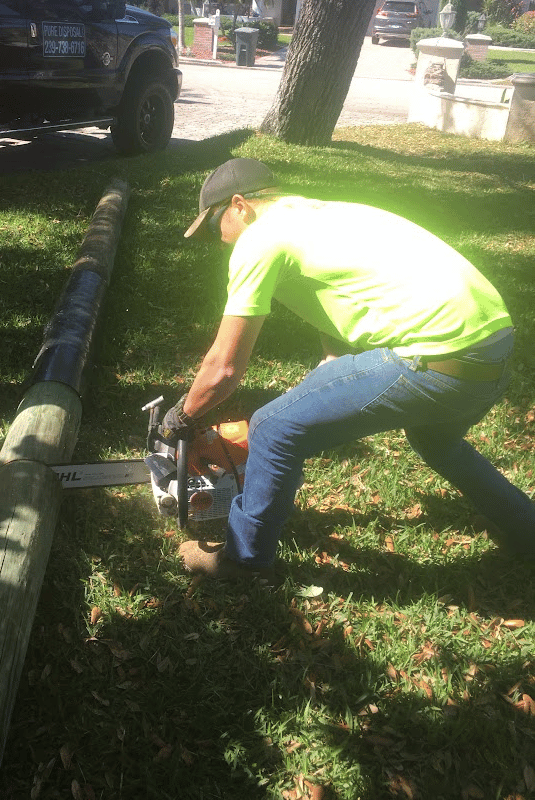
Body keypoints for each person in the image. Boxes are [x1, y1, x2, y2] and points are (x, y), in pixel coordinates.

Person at [161, 157, 535, 580]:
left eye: (214, 228)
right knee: (438, 442)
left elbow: (223, 369)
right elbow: (342, 294)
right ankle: (526, 529)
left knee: (272, 428)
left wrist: (182, 417)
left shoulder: (260, 238)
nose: (220, 241)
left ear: (239, 205)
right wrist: (331, 363)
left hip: (437, 359)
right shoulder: (321, 214)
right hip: (494, 349)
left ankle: (245, 561)